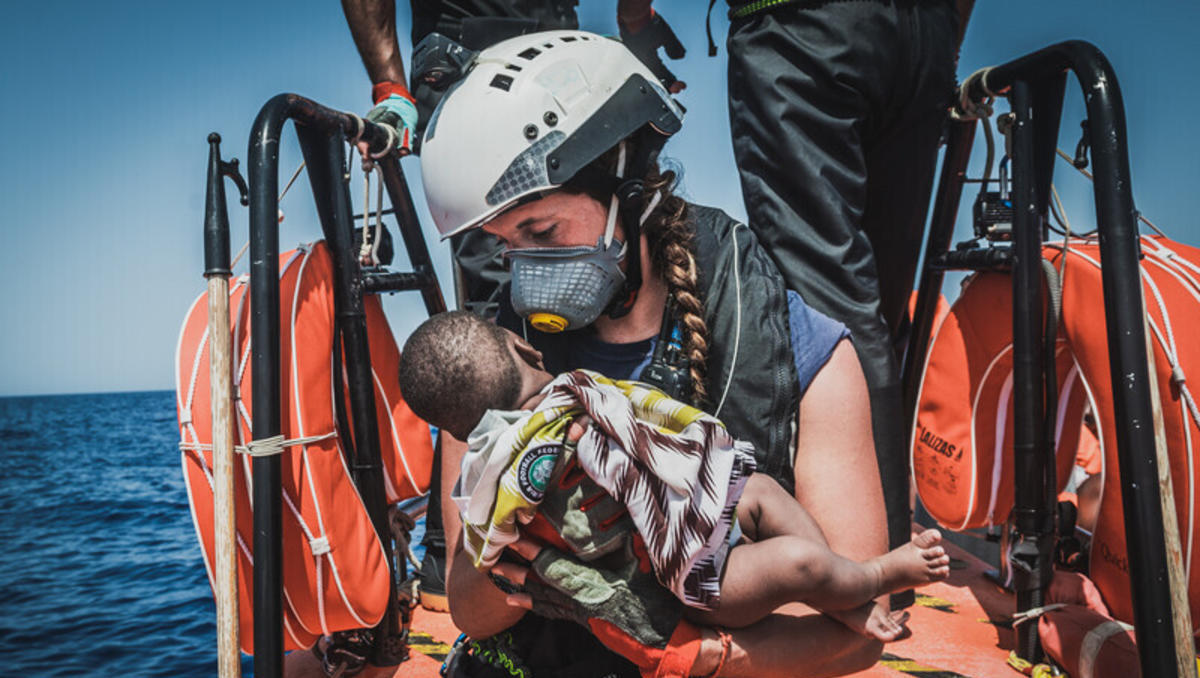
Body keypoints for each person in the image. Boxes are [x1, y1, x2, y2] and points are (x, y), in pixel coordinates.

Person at [415, 31, 890, 677]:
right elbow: (472, 613)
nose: (523, 268)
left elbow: (859, 630)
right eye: (503, 244)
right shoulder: (490, 373)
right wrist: (510, 545)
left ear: (626, 184)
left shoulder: (809, 353)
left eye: (542, 230)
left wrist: (701, 658)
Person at [398, 310, 950, 642]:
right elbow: (654, 413)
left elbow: (483, 533)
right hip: (690, 580)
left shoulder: (493, 464)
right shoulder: (534, 440)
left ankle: (840, 596)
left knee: (759, 491)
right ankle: (875, 580)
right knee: (795, 561)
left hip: (698, 524)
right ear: (524, 345)